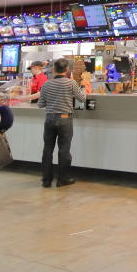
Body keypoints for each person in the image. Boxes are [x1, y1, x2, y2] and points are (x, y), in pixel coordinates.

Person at [38, 58, 86, 187]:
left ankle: (46, 180)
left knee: (47, 150)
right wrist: (84, 88)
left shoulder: (47, 84)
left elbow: (40, 104)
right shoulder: (71, 83)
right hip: (65, 119)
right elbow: (81, 99)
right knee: (64, 150)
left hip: (49, 119)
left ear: (54, 70)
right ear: (67, 70)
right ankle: (62, 179)